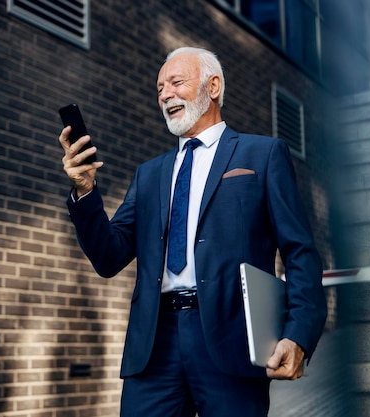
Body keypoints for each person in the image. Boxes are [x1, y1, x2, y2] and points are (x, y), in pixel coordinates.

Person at [59, 46, 327, 417]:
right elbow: (108, 257)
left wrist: (298, 333)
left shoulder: (262, 155)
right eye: (159, 89)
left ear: (213, 86)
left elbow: (301, 253)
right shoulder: (149, 174)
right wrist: (86, 191)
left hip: (231, 341)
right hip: (154, 346)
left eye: (176, 82)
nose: (165, 93)